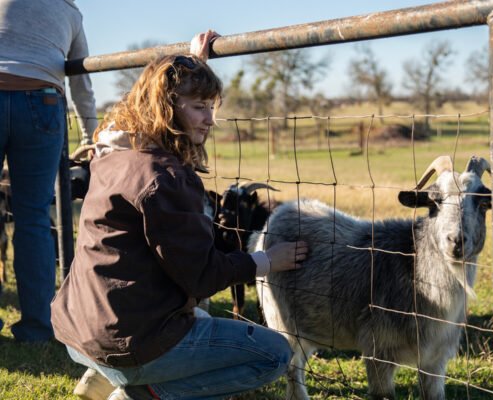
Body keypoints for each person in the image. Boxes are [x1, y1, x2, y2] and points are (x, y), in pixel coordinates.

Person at [51, 30, 308, 400]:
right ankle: (142, 392)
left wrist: (192, 67)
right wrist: (267, 261)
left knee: (199, 318)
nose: (210, 120)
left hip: (79, 328)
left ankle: (99, 378)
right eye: (200, 107)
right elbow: (202, 277)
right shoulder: (164, 178)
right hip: (127, 342)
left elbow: (148, 100)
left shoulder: (110, 150)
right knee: (274, 355)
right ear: (166, 108)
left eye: (211, 106)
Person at [0, 0, 98, 341]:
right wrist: (90, 137)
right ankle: (37, 327)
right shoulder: (68, 10)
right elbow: (81, 82)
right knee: (34, 218)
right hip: (42, 100)